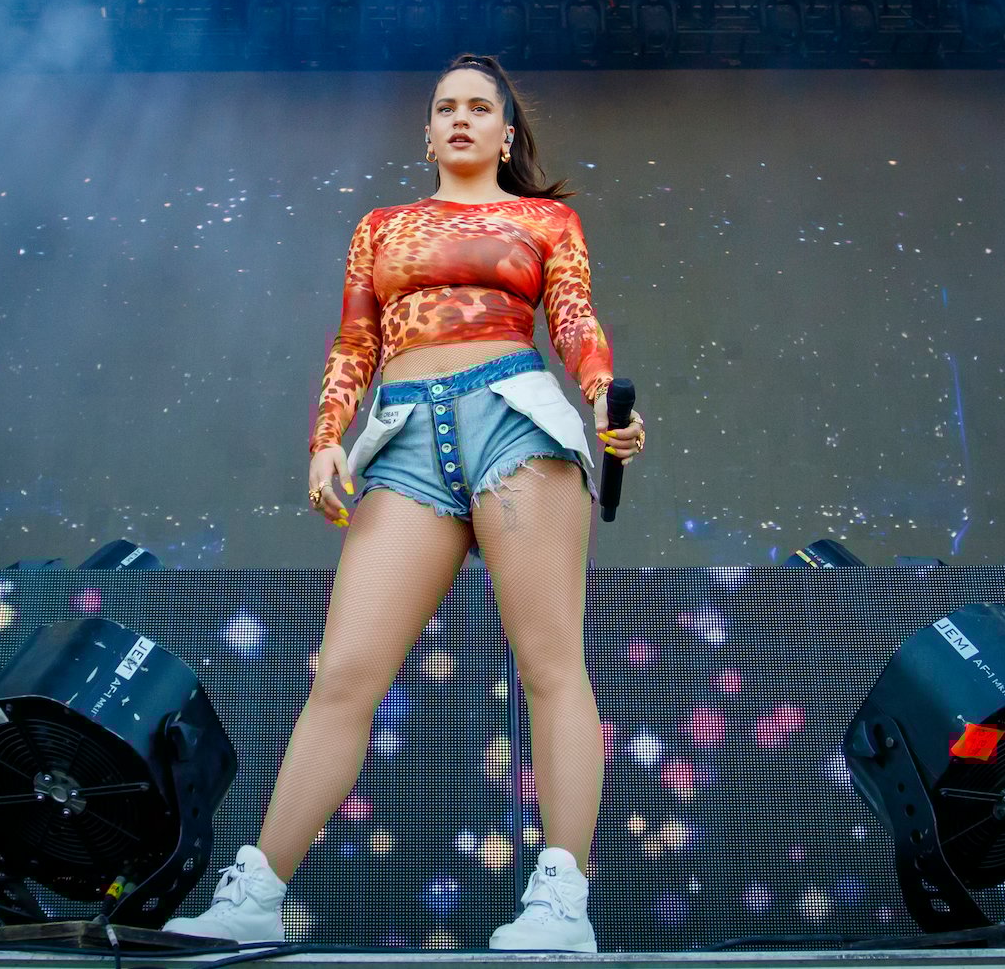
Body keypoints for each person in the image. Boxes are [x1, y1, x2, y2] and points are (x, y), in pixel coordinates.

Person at [163, 54, 646, 952]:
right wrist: (325, 441)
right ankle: (255, 895)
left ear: (507, 133)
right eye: (444, 108)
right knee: (343, 672)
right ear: (427, 132)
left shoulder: (546, 220)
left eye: (478, 108)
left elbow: (575, 318)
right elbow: (354, 339)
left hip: (515, 420)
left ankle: (562, 901)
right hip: (407, 438)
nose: (460, 119)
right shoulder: (382, 227)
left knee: (551, 665)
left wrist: (602, 394)